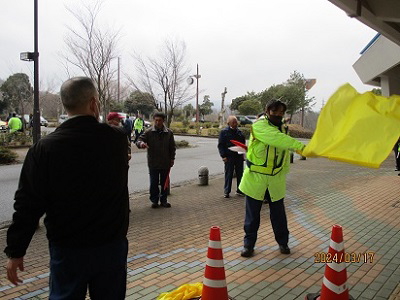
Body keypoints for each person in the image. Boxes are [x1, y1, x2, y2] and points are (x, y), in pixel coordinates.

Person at [4, 77, 130, 299]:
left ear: (64, 104)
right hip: (110, 244)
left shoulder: (44, 149)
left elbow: (28, 203)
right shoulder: (116, 140)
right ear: (94, 103)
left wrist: (16, 251)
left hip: (68, 248)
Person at [239, 99, 306, 258]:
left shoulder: (284, 128)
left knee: (279, 216)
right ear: (267, 110)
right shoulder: (259, 126)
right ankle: (248, 245)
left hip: (276, 179)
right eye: (275, 111)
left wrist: (284, 174)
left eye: (282, 112)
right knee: (252, 216)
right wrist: (302, 148)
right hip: (257, 177)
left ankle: (283, 243)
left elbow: (283, 154)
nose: (278, 115)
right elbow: (278, 140)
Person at [136, 112, 176, 208]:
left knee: (164, 183)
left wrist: (172, 159)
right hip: (153, 162)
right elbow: (139, 140)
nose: (157, 122)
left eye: (160, 120)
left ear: (163, 121)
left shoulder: (169, 133)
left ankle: (164, 200)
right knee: (153, 183)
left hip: (165, 163)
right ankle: (154, 200)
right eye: (156, 120)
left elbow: (172, 147)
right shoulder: (149, 132)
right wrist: (141, 144)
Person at [217, 115, 246, 198]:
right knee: (228, 174)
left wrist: (242, 155)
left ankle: (240, 190)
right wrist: (223, 156)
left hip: (238, 156)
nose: (235, 123)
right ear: (228, 123)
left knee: (240, 174)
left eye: (236, 122)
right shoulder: (224, 132)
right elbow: (221, 145)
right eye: (233, 122)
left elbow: (242, 145)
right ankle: (227, 191)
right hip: (229, 156)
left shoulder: (240, 133)